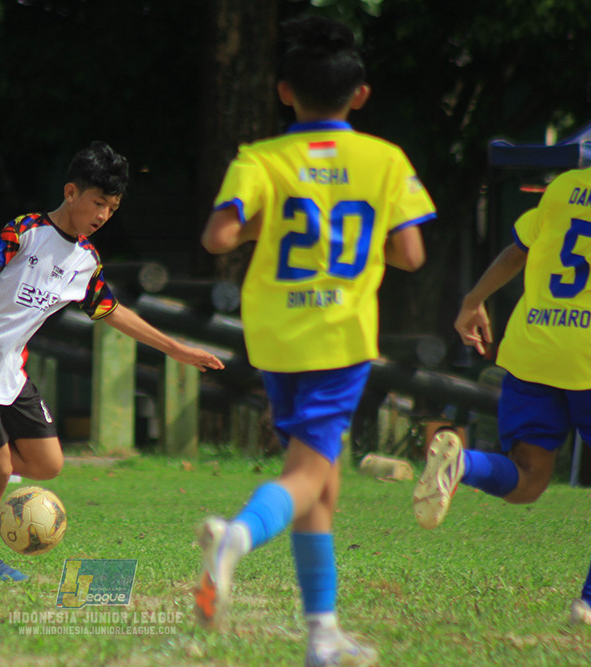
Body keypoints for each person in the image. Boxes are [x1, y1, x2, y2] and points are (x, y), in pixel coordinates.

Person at [195, 16, 432, 667]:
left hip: (274, 334)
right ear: (360, 95)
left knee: (323, 483)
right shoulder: (384, 160)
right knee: (307, 474)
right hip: (341, 336)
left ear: (283, 92)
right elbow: (411, 253)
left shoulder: (260, 159)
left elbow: (218, 236)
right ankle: (236, 536)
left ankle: (322, 636)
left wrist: (263, 228)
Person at [0, 141, 225, 583]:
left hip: (10, 373)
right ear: (71, 192)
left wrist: (175, 348)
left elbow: (113, 311)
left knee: (48, 465)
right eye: (98, 203)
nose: (103, 216)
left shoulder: (85, 261)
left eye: (112, 209)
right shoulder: (25, 231)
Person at [414, 70, 591, 627]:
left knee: (527, 481)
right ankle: (590, 603)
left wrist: (473, 300)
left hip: (535, 349)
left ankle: (462, 462)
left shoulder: (566, 188)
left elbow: (518, 249)